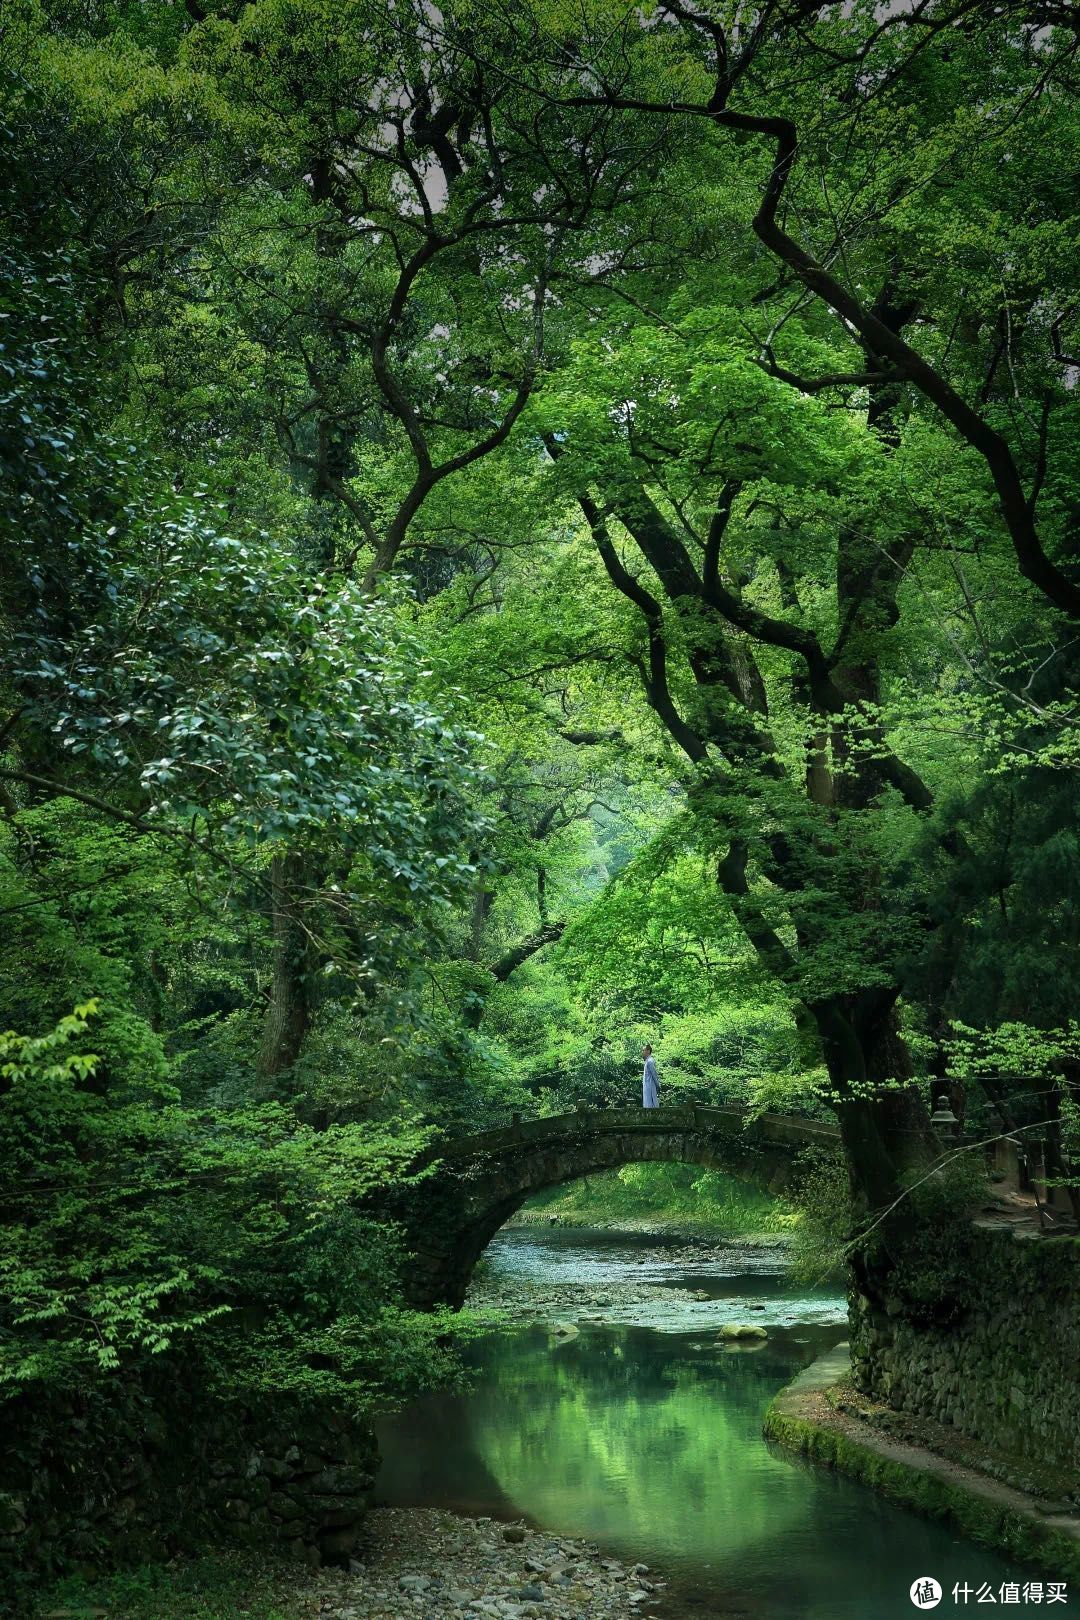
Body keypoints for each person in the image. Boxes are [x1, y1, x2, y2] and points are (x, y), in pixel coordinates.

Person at [642, 1043, 659, 1109]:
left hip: (650, 1087)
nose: (642, 1052)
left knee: (652, 1105)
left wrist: (658, 1086)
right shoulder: (647, 1061)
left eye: (644, 1050)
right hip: (647, 1087)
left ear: (648, 1051)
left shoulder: (650, 1061)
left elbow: (654, 1075)